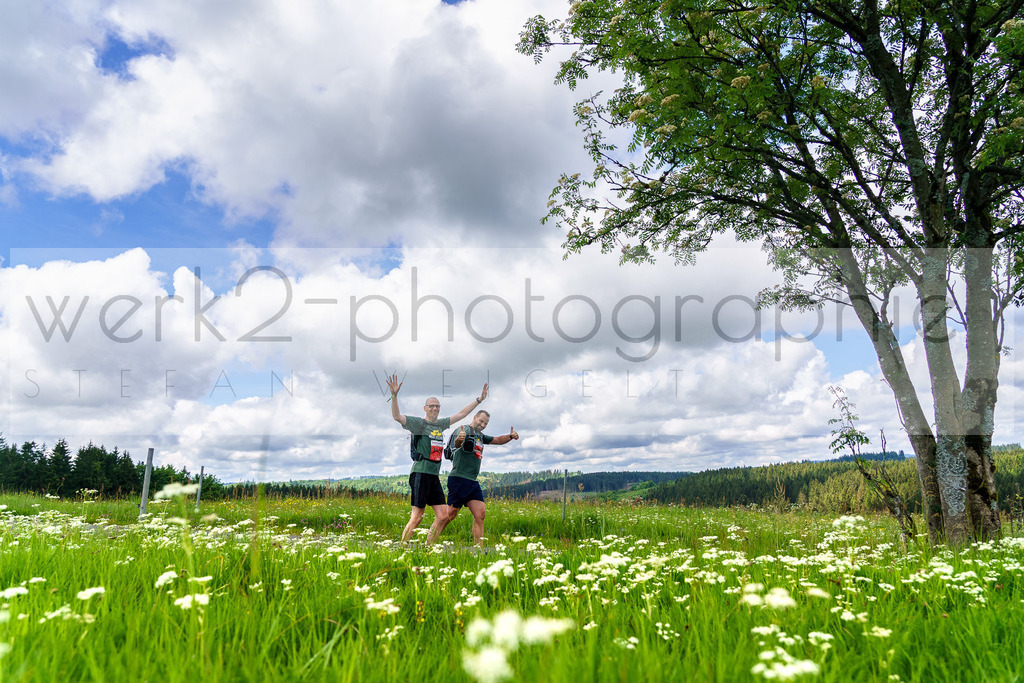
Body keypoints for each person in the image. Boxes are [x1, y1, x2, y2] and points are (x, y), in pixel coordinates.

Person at [386, 374, 487, 544]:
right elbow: (397, 417)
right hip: (420, 473)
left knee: (443, 515)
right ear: (425, 408)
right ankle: (401, 549)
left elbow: (461, 414)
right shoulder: (419, 424)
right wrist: (394, 396)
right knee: (417, 517)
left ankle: (427, 548)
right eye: (431, 406)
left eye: (437, 406)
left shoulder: (440, 424)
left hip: (433, 477)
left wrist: (479, 400)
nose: (434, 409)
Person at [445, 411, 519, 547]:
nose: (483, 424)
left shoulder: (480, 436)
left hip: (472, 481)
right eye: (481, 421)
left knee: (480, 513)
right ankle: (428, 544)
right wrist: (460, 440)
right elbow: (456, 445)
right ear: (475, 418)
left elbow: (497, 440)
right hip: (459, 479)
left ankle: (478, 551)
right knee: (449, 515)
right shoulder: (465, 430)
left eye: (486, 423)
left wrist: (510, 436)